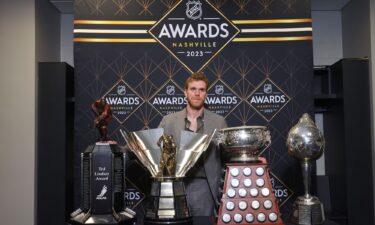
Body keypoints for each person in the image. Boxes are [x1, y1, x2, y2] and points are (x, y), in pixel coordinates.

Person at [158, 72, 227, 224]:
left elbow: (227, 155)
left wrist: (249, 159)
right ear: (185, 92)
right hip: (176, 186)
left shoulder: (219, 122)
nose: (197, 93)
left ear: (206, 94)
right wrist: (121, 148)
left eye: (202, 90)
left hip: (206, 187)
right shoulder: (169, 121)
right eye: (193, 89)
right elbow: (153, 147)